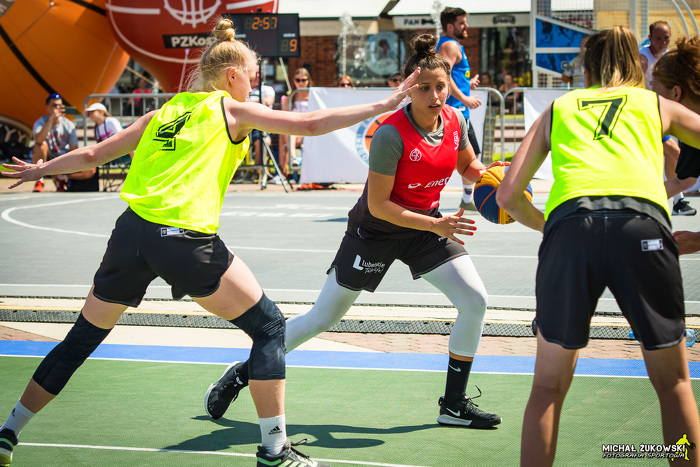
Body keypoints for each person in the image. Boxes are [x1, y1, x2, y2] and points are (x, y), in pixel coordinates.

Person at [0, 18, 419, 467]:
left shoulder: (163, 112)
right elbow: (311, 123)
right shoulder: (232, 110)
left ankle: (8, 433)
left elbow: (91, 155)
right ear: (232, 75)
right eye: (252, 75)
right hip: (183, 239)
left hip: (131, 234)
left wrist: (38, 170)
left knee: (80, 339)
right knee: (270, 328)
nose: (254, 83)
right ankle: (275, 449)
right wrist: (386, 102)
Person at [205, 33, 502, 431]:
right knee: (322, 317)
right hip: (376, 231)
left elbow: (468, 166)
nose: (435, 96)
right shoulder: (390, 135)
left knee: (475, 300)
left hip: (424, 228)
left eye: (441, 87)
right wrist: (436, 223)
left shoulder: (455, 121)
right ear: (408, 89)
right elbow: (379, 205)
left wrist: (493, 177)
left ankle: (453, 405)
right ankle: (242, 373)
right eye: (424, 88)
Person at [496, 26, 700, 466]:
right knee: (674, 385)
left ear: (586, 68)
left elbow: (507, 196)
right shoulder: (654, 104)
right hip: (642, 226)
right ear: (638, 65)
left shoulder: (558, 108)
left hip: (571, 229)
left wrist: (550, 225)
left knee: (547, 387)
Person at [653, 36, 700, 253]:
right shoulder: (692, 133)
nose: (651, 102)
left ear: (676, 93)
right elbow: (684, 180)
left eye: (655, 94)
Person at [436, 6, 482, 212]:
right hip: (454, 113)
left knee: (470, 157)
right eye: (461, 23)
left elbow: (451, 76)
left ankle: (467, 199)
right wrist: (464, 98)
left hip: (457, 112)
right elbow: (443, 75)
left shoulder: (452, 45)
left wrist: (467, 84)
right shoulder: (450, 45)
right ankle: (466, 199)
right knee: (462, 159)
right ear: (449, 26)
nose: (466, 26)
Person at [30, 93, 79, 192]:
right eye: (54, 105)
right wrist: (51, 119)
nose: (57, 108)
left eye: (59, 106)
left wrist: (65, 165)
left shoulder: (68, 124)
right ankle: (39, 180)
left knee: (87, 166)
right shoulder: (40, 122)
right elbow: (38, 140)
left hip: (61, 157)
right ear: (47, 107)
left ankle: (61, 179)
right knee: (41, 145)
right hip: (46, 156)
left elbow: (74, 149)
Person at [277, 67, 312, 183]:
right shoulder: (289, 98)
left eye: (304, 80)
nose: (301, 83)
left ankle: (287, 167)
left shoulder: (313, 97)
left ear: (308, 81)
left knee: (286, 135)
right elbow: (283, 118)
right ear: (294, 81)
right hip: (295, 131)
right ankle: (291, 161)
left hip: (310, 131)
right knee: (286, 133)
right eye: (298, 80)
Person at [248, 70, 276, 170]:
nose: (257, 76)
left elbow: (267, 101)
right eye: (254, 73)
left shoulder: (267, 89)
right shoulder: (244, 89)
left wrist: (248, 105)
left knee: (263, 142)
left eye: (258, 73)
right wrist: (259, 102)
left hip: (260, 124)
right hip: (243, 124)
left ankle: (257, 171)